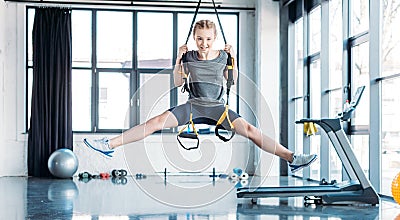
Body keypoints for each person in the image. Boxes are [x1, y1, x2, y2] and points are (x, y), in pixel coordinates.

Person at [84, 20, 317, 173]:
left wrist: (233, 58)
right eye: (199, 39)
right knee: (154, 123)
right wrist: (178, 59)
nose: (203, 43)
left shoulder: (223, 56)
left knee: (251, 131)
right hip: (194, 106)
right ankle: (109, 144)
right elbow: (177, 83)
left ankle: (292, 158)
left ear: (214, 38)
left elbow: (231, 80)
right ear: (194, 38)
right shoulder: (189, 57)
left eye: (207, 39)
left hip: (218, 108)